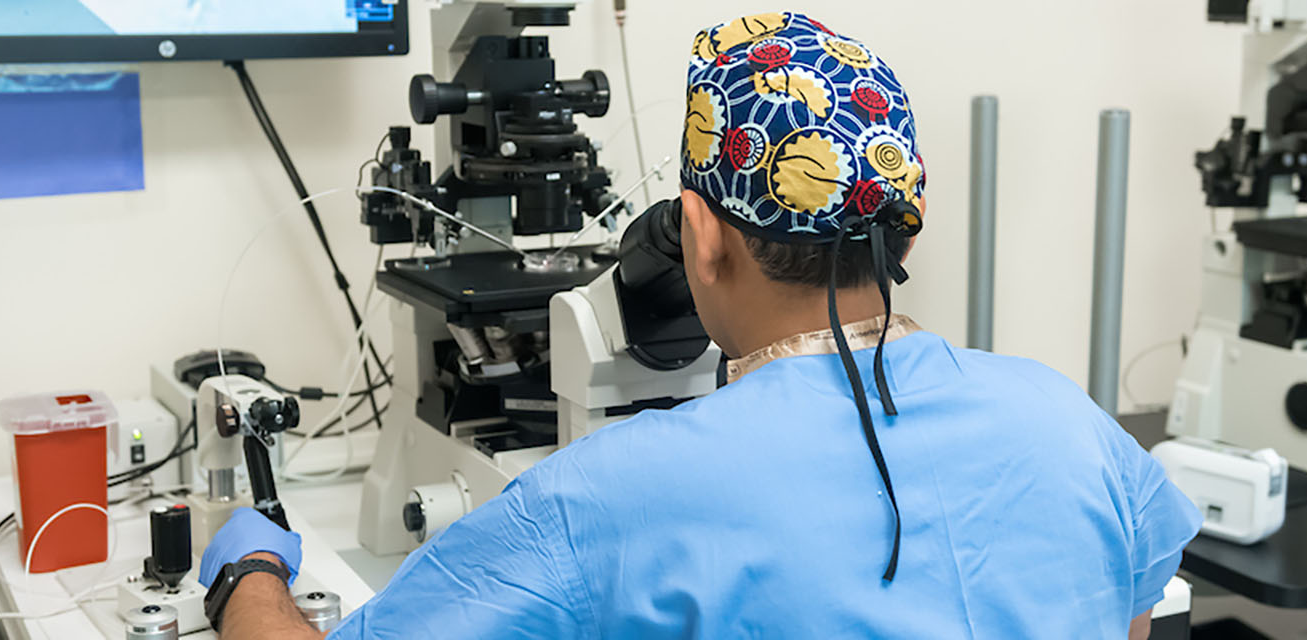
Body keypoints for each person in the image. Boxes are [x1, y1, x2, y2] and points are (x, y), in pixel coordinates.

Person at [200, 12, 1201, 639]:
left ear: (699, 238)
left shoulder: (607, 499)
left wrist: (249, 570)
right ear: (902, 222)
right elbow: (1131, 619)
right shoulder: (1072, 426)